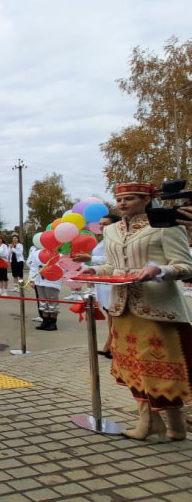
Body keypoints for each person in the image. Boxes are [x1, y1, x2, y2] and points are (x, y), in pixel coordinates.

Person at [79, 183, 192, 441]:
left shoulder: (165, 227)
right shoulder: (111, 230)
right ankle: (151, 422)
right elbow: (112, 265)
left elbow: (186, 266)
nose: (122, 203)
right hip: (122, 308)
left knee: (164, 369)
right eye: (119, 199)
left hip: (158, 309)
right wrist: (94, 271)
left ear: (146, 200)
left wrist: (159, 271)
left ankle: (175, 425)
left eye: (129, 198)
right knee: (133, 367)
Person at [72, 214, 120, 356]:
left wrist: (91, 258)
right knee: (109, 313)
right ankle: (110, 343)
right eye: (100, 224)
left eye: (105, 224)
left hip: (112, 281)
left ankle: (114, 345)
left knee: (114, 314)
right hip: (102, 280)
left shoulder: (117, 240)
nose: (101, 226)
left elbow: (113, 260)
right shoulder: (103, 241)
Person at [27, 245, 61, 331]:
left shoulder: (57, 253)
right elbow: (33, 267)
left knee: (52, 302)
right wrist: (32, 279)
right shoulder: (37, 253)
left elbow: (60, 267)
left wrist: (47, 269)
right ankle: (45, 321)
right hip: (39, 281)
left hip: (52, 281)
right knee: (42, 301)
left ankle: (53, 323)